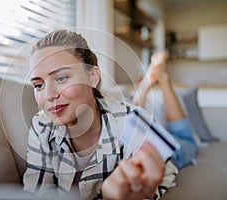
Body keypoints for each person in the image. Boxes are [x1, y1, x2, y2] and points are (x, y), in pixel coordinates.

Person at [23, 29, 178, 200]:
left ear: (92, 77)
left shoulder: (138, 125)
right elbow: (36, 193)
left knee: (184, 145)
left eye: (61, 78)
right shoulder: (40, 126)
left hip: (173, 156)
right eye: (38, 85)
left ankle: (159, 76)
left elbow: (150, 190)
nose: (49, 95)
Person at [132, 52, 198, 169]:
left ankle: (149, 83)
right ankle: (161, 80)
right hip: (160, 146)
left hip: (146, 138)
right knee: (188, 141)